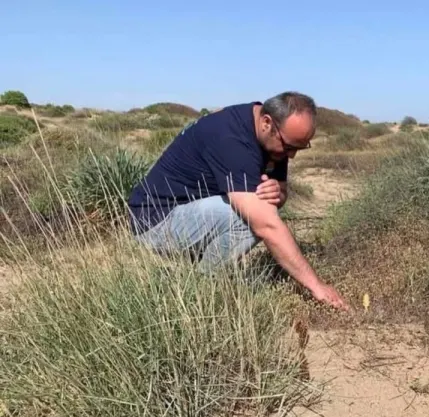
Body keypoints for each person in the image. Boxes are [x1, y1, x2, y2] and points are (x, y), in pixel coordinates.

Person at [127, 91, 349, 311]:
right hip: (155, 222)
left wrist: (278, 193)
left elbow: (279, 193)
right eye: (290, 147)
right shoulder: (231, 139)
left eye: (300, 148)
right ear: (266, 122)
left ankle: (199, 277)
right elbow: (267, 225)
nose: (291, 156)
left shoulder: (274, 139)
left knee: (257, 210)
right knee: (248, 219)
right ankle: (202, 289)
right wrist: (316, 286)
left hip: (192, 214)